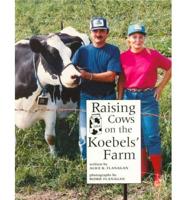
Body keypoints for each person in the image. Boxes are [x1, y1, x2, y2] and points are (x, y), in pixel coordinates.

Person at [118, 23, 171, 187]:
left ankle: (157, 174)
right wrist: (119, 100)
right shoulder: (123, 57)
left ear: (144, 38)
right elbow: (121, 80)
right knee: (136, 135)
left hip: (148, 98)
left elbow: (171, 67)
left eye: (141, 37)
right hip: (129, 96)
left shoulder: (152, 54)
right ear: (128, 39)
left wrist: (160, 87)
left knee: (152, 135)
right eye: (134, 37)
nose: (138, 40)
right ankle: (142, 169)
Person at [72, 17, 121, 160]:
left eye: (102, 31)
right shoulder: (82, 51)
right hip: (86, 97)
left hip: (107, 96)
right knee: (85, 135)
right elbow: (72, 71)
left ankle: (103, 164)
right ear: (90, 32)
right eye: (95, 31)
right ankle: (86, 163)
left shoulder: (113, 50)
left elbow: (111, 76)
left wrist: (88, 75)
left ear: (107, 32)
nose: (98, 34)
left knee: (105, 134)